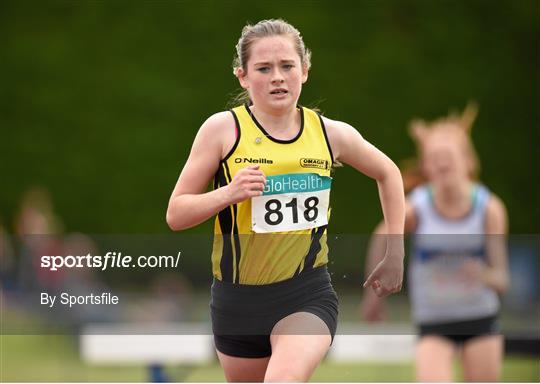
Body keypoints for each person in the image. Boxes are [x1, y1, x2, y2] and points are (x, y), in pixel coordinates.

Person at [167, 19, 405, 382]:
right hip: (236, 302)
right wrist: (229, 193)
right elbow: (176, 213)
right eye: (264, 68)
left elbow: (388, 173)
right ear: (243, 76)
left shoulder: (329, 134)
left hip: (305, 294)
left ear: (304, 71)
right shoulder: (222, 131)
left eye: (287, 66)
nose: (277, 76)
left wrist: (395, 252)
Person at [361, 103, 509, 382]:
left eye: (448, 157)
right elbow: (382, 236)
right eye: (434, 158)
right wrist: (373, 296)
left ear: (468, 161)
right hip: (433, 321)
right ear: (426, 166)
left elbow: (502, 279)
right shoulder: (417, 208)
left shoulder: (489, 209)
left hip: (479, 318)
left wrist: (483, 275)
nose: (442, 163)